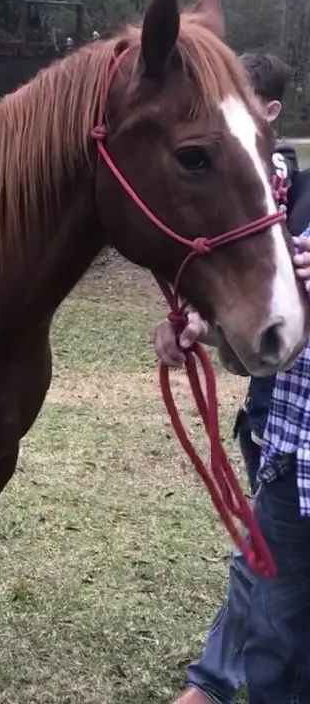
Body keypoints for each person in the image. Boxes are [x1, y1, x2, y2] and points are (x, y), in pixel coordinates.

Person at [154, 52, 310, 704]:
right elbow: (263, 338)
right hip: (291, 446)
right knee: (275, 605)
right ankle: (220, 680)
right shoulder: (284, 200)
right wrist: (203, 326)